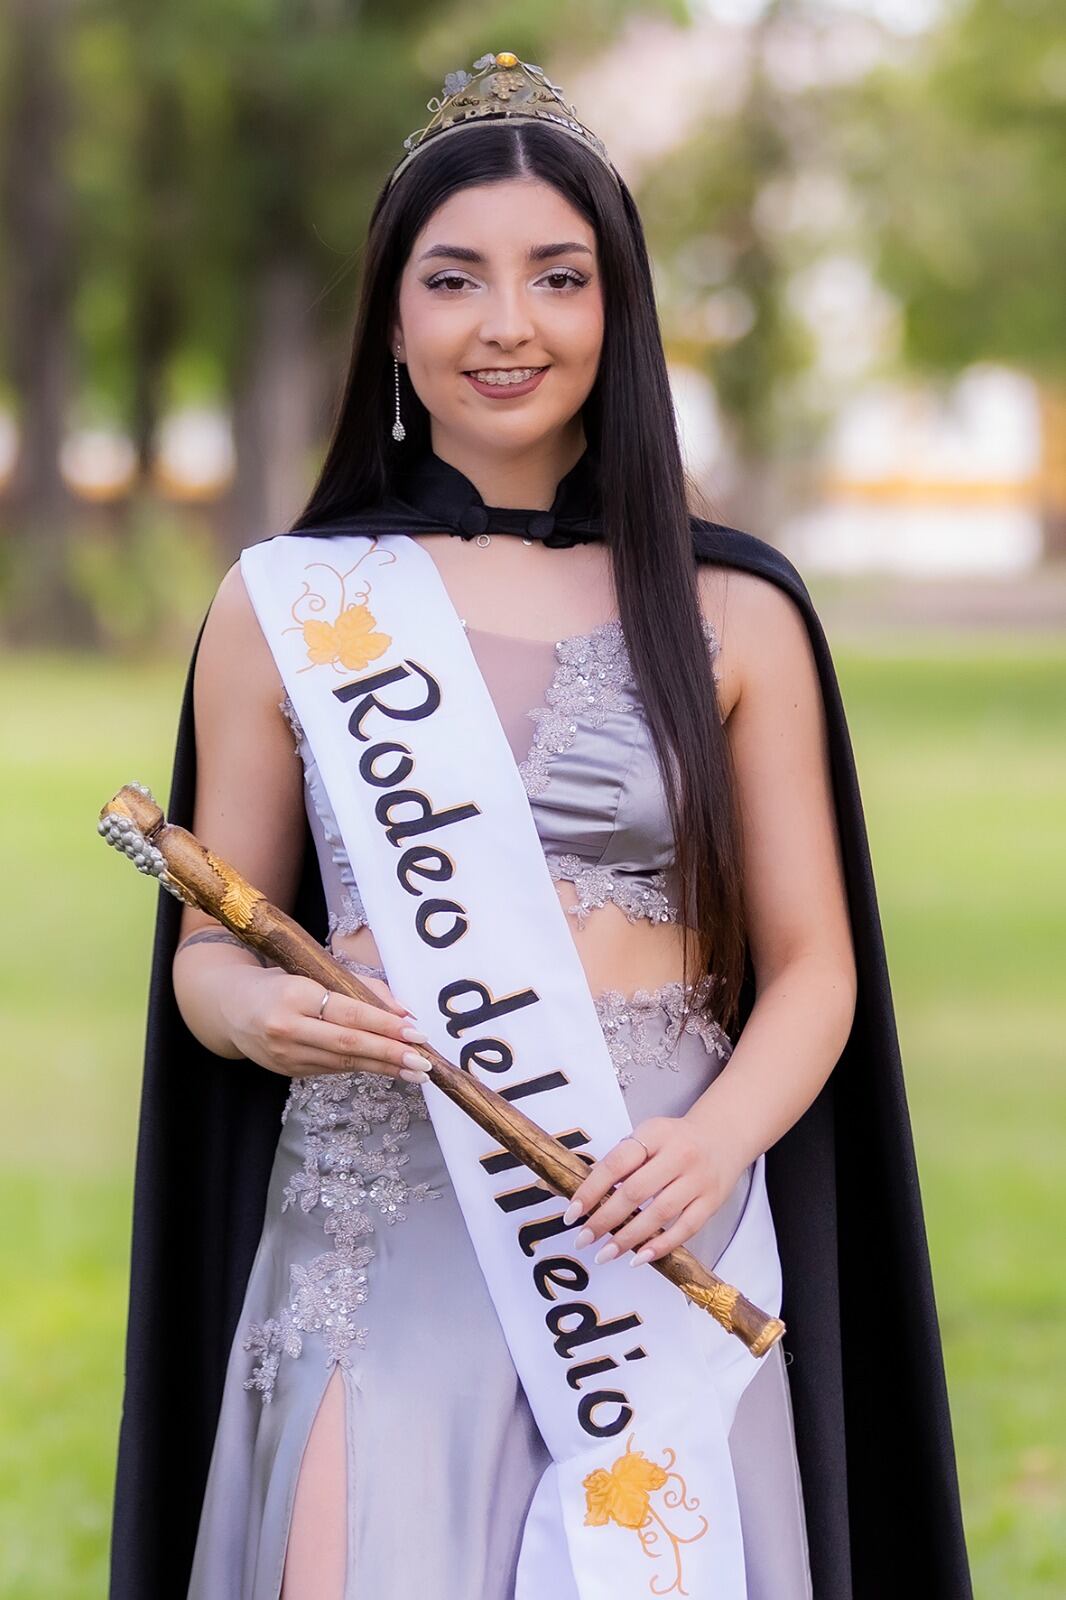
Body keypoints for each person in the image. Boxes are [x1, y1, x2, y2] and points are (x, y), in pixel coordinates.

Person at [108, 51, 973, 1600]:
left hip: (649, 1229)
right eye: (454, 279)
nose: (504, 324)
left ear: (615, 313)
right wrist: (264, 1011)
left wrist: (711, 1146)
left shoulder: (733, 608)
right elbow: (203, 964)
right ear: (391, 314)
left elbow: (815, 969)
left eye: (555, 278)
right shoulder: (287, 604)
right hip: (375, 1229)